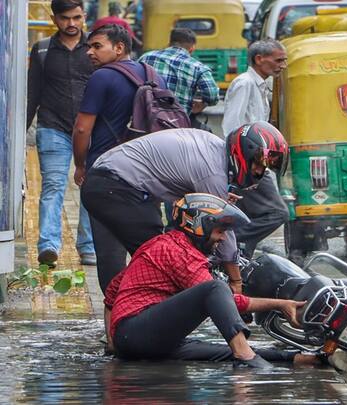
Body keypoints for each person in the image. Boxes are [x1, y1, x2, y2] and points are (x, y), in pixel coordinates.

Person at [104, 193, 314, 368]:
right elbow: (223, 298)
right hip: (137, 334)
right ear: (199, 226)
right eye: (219, 231)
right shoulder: (180, 253)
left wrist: (114, 343)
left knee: (223, 352)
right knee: (215, 288)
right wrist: (281, 304)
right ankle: (246, 357)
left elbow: (112, 291)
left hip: (140, 341)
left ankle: (300, 358)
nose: (222, 238)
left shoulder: (159, 244)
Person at [80, 123, 288, 295]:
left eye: (266, 168)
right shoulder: (212, 172)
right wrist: (236, 282)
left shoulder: (214, 150)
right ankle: (144, 323)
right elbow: (224, 230)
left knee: (114, 262)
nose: (261, 171)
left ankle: (116, 330)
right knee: (161, 259)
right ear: (246, 153)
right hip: (116, 186)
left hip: (103, 181)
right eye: (259, 164)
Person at [73, 23, 167, 288]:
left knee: (109, 253)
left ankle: (116, 316)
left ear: (119, 47)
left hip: (107, 174)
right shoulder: (153, 75)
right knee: (147, 247)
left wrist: (80, 166)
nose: (90, 52)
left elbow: (82, 128)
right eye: (89, 46)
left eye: (96, 46)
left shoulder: (102, 77)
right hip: (148, 175)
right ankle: (149, 303)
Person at [26, 0, 96, 267]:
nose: (71, 24)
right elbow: (33, 93)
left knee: (89, 187)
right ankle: (48, 246)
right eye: (65, 18)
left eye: (76, 18)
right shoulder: (42, 50)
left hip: (89, 129)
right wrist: (21, 134)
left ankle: (88, 247)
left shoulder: (94, 49)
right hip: (52, 126)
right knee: (53, 186)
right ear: (54, 18)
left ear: (84, 17)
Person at [222, 39, 290, 258]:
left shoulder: (260, 85)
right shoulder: (245, 84)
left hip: (259, 161)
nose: (283, 65)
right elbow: (231, 127)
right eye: (278, 60)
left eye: (284, 60)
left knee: (249, 214)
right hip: (249, 162)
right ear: (259, 59)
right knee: (277, 213)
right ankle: (232, 242)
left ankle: (239, 256)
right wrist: (243, 168)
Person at [138, 28, 219, 118]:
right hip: (177, 124)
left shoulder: (145, 57)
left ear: (169, 44)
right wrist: (203, 104)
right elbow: (212, 96)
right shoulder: (198, 67)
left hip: (144, 120)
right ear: (192, 48)